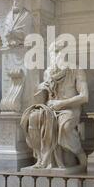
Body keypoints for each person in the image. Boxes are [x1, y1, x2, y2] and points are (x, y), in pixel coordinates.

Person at [21, 41, 89, 169]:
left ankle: (79, 153)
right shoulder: (48, 72)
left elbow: (84, 96)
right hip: (51, 108)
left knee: (65, 126)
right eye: (53, 53)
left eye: (58, 52)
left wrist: (61, 103)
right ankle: (42, 158)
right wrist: (40, 88)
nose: (55, 56)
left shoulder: (76, 70)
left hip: (70, 109)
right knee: (33, 118)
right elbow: (42, 100)